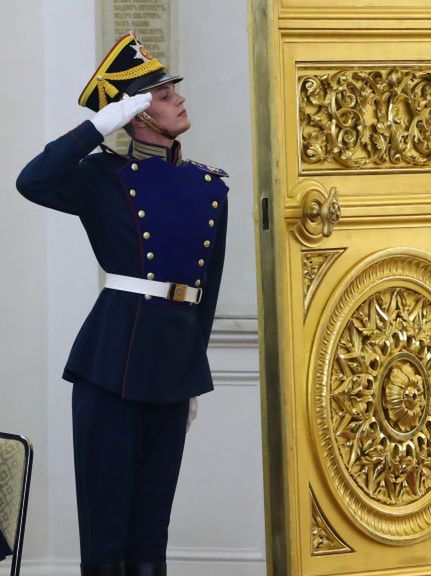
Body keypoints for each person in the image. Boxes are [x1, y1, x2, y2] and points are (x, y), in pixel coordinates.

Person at [16, 32, 229, 576]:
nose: (178, 98)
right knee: (107, 539)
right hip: (112, 365)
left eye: (170, 90)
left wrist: (191, 369)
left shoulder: (210, 187)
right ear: (135, 113)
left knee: (151, 538)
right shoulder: (103, 179)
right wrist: (98, 126)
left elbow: (206, 292)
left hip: (172, 369)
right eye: (160, 94)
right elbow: (32, 180)